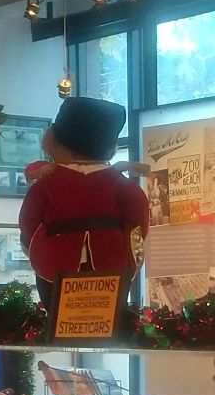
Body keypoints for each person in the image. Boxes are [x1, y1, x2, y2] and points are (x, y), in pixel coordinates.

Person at [17, 95, 149, 316]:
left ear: (56, 141)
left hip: (55, 264)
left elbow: (29, 222)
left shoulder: (46, 184)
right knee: (107, 318)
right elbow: (137, 222)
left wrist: (40, 247)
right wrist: (127, 253)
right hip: (112, 263)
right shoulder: (122, 185)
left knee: (59, 317)